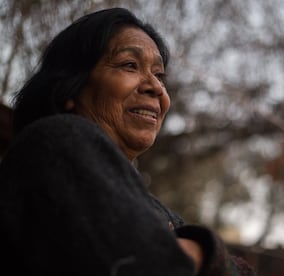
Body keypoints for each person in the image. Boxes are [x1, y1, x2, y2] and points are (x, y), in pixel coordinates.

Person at [0, 7, 255, 276]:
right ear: (70, 86)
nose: (155, 87)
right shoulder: (54, 141)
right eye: (129, 65)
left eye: (159, 75)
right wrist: (208, 254)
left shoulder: (159, 211)